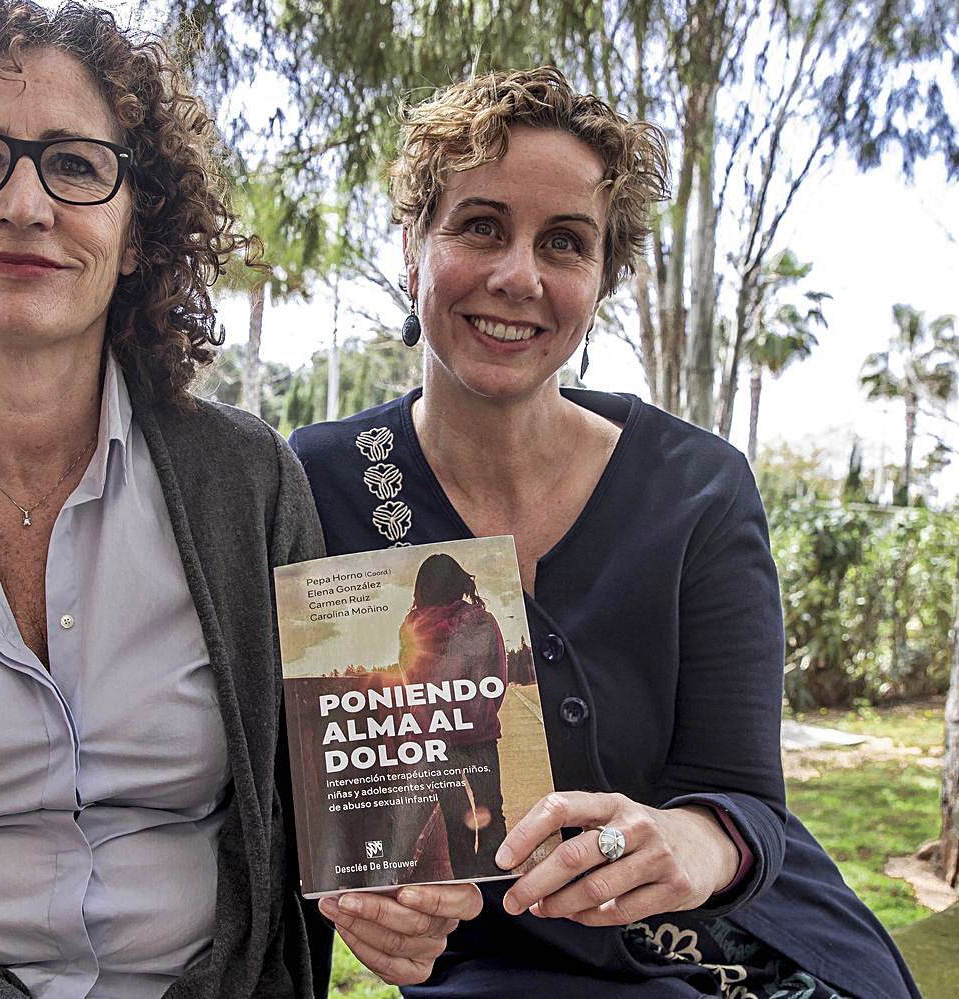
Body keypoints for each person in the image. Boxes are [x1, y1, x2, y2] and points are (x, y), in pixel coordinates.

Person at [0, 2, 478, 996]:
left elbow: (330, 825)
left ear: (134, 235)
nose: (25, 204)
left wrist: (402, 898)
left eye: (76, 165)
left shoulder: (248, 482)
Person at [290, 67, 919, 998]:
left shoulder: (698, 487)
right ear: (414, 251)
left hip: (756, 953)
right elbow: (305, 795)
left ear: (601, 278)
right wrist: (373, 906)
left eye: (565, 242)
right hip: (501, 971)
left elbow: (748, 799)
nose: (518, 275)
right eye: (480, 226)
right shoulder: (318, 482)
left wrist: (697, 843)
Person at [397, 553, 509, 876]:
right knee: (492, 812)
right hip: (479, 735)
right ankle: (497, 882)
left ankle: (467, 882)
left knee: (454, 817)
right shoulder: (481, 621)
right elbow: (496, 679)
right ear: (459, 581)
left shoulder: (410, 627)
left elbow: (409, 682)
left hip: (434, 741)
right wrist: (482, 714)